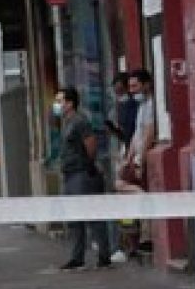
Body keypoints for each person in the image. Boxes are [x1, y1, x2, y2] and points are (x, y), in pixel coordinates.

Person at [55, 87, 112, 270]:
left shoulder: (80, 121)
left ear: (70, 103)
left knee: (91, 214)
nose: (57, 105)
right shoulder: (66, 122)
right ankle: (77, 257)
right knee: (73, 217)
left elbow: (91, 143)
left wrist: (89, 163)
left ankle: (104, 255)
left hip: (81, 173)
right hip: (70, 174)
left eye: (60, 101)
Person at [114, 69, 156, 258]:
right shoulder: (141, 106)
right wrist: (128, 158)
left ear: (146, 84)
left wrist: (140, 159)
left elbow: (148, 134)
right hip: (134, 156)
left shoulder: (152, 106)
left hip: (142, 157)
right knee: (122, 194)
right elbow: (135, 136)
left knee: (124, 187)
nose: (132, 91)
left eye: (135, 86)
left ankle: (144, 238)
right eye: (130, 87)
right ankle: (131, 242)